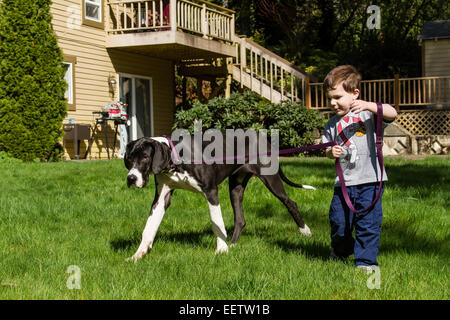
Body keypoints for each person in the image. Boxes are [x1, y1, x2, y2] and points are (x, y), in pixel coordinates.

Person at [321, 65, 398, 272]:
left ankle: (365, 262)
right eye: (330, 98)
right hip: (344, 185)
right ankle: (341, 251)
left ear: (355, 94)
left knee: (368, 224)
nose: (332, 103)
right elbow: (327, 148)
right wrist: (331, 153)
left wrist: (370, 106)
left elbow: (392, 113)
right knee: (338, 222)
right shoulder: (331, 124)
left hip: (371, 181)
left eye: (337, 97)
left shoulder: (367, 115)